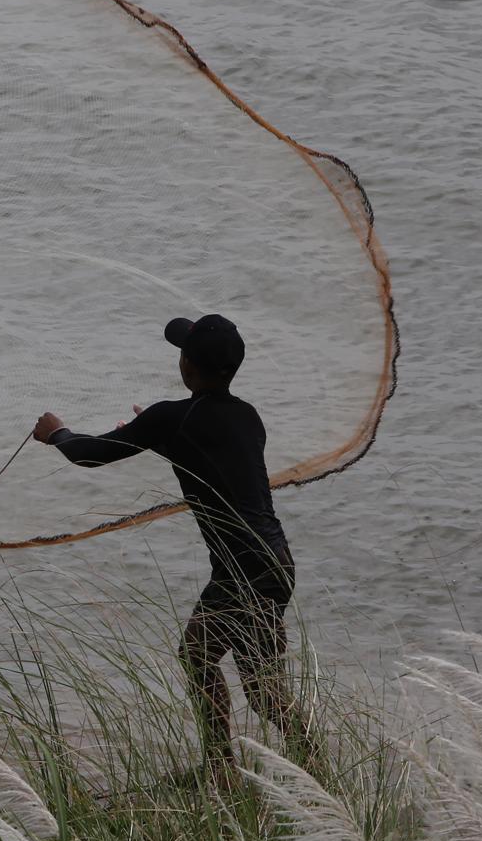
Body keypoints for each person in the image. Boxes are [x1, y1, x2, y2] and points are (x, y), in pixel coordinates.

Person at [32, 314, 314, 779]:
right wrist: (159, 432)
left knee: (197, 656)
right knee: (261, 688)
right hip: (276, 561)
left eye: (182, 352)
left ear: (188, 365)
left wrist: (56, 432)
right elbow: (211, 453)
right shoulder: (246, 416)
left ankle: (221, 770)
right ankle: (312, 763)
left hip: (241, 569)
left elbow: (91, 452)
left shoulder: (172, 418)